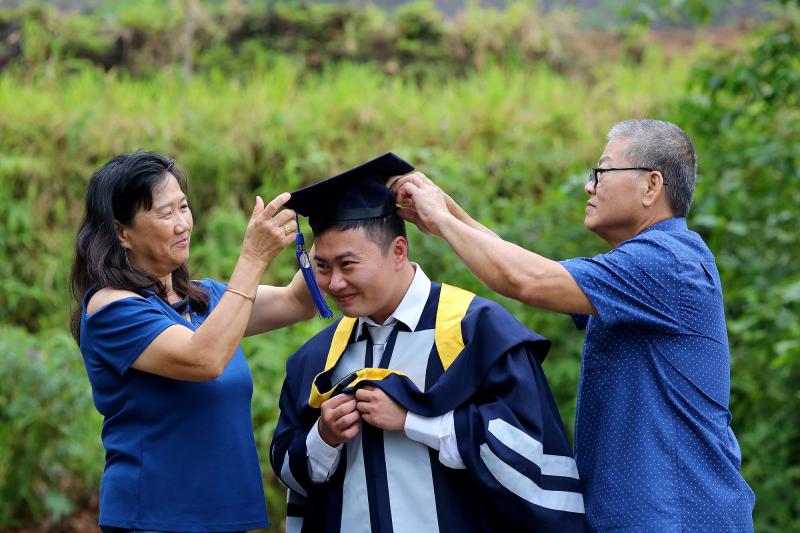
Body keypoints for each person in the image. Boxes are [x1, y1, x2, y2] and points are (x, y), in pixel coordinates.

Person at [390, 119, 756, 531]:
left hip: (679, 518)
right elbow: (523, 265)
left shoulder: (668, 263)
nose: (589, 186)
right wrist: (447, 211)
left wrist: (443, 219)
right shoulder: (644, 266)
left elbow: (526, 279)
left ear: (651, 185)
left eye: (602, 172)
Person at [270, 153, 586, 533]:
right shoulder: (317, 359)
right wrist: (323, 438)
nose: (335, 283)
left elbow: (535, 459)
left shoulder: (476, 332)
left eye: (348, 265)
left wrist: (415, 422)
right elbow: (289, 472)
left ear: (398, 252)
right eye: (322, 267)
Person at [69, 151, 317, 533]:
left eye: (183, 207)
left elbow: (297, 302)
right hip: (154, 519)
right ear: (122, 233)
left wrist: (337, 221)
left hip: (225, 517)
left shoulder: (208, 298)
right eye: (166, 214)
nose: (183, 224)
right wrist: (253, 258)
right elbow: (204, 358)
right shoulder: (111, 308)